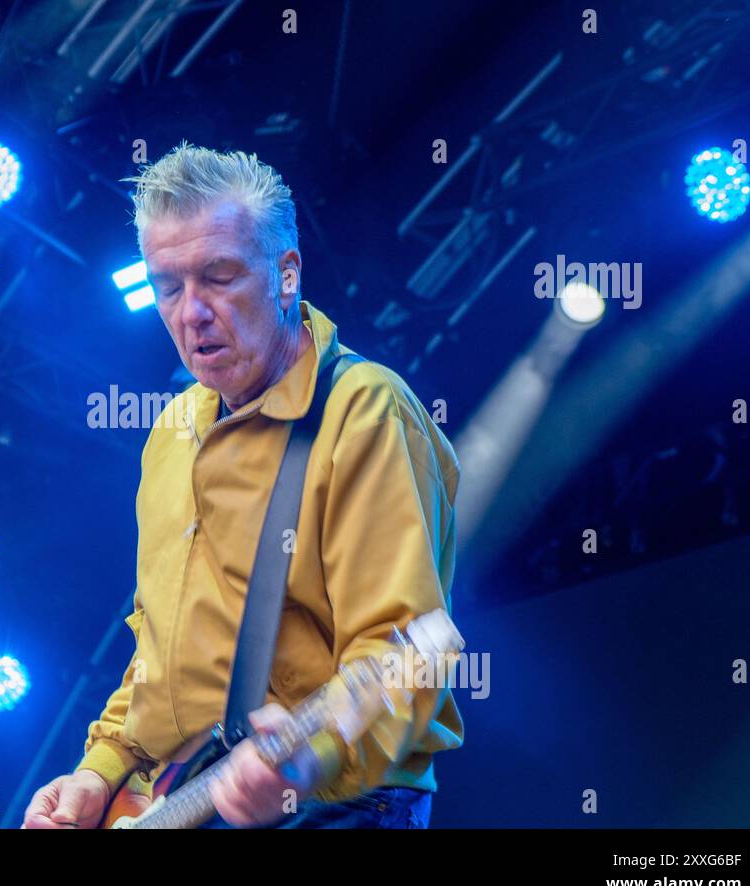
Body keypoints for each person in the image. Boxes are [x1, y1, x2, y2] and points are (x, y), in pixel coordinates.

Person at [23, 142, 463, 829]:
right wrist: (97, 774)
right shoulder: (172, 431)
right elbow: (159, 659)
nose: (190, 312)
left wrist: (303, 763)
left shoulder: (363, 409)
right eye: (167, 286)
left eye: (218, 277)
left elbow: (403, 659)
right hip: (174, 799)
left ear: (286, 275)